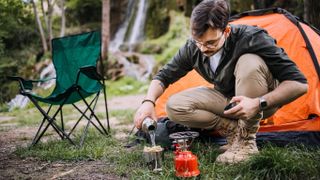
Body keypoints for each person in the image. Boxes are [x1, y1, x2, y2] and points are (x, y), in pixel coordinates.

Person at [134, 0, 308, 164]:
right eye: (199, 42)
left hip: (260, 102)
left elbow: (299, 84)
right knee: (174, 106)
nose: (203, 49)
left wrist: (258, 103)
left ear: (226, 31)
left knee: (249, 61)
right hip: (228, 102)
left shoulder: (252, 37)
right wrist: (148, 102)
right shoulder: (193, 48)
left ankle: (247, 142)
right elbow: (163, 77)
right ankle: (234, 133)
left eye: (210, 43)